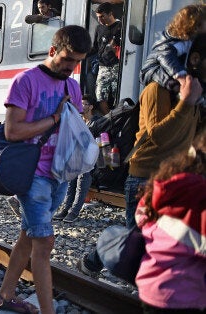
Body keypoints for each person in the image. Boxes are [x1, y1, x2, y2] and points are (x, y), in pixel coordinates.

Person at [78, 33, 205, 278]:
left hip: (173, 178)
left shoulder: (195, 93)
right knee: (139, 239)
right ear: (195, 59)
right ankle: (95, 260)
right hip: (146, 179)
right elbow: (159, 136)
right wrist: (186, 103)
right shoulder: (157, 89)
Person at [0, 25, 91, 314]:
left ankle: (4, 296)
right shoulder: (25, 82)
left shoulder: (71, 86)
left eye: (78, 62)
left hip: (59, 174)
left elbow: (71, 128)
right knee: (45, 242)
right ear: (52, 51)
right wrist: (55, 117)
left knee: (29, 236)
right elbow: (12, 131)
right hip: (32, 173)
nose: (72, 68)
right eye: (67, 60)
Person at [134, 130, 206, 313]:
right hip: (183, 295)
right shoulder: (201, 199)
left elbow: (141, 216)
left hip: (149, 284)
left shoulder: (168, 181)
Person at [53, 95, 100, 222]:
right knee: (70, 184)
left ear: (91, 107)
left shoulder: (96, 122)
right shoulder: (78, 120)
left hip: (88, 159)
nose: (81, 106)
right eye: (81, 103)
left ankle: (74, 212)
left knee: (82, 185)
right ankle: (65, 209)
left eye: (85, 104)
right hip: (75, 157)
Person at [140, 4, 206, 93]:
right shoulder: (176, 41)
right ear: (195, 25)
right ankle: (174, 86)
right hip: (152, 69)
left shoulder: (191, 40)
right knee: (172, 82)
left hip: (171, 70)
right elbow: (166, 56)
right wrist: (181, 76)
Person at [89, 2, 122, 115]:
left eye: (102, 16)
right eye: (98, 17)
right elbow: (95, 47)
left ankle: (118, 120)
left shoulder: (121, 26)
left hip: (117, 66)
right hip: (103, 66)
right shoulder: (99, 28)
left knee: (117, 95)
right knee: (100, 96)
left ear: (110, 14)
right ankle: (109, 120)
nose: (100, 20)